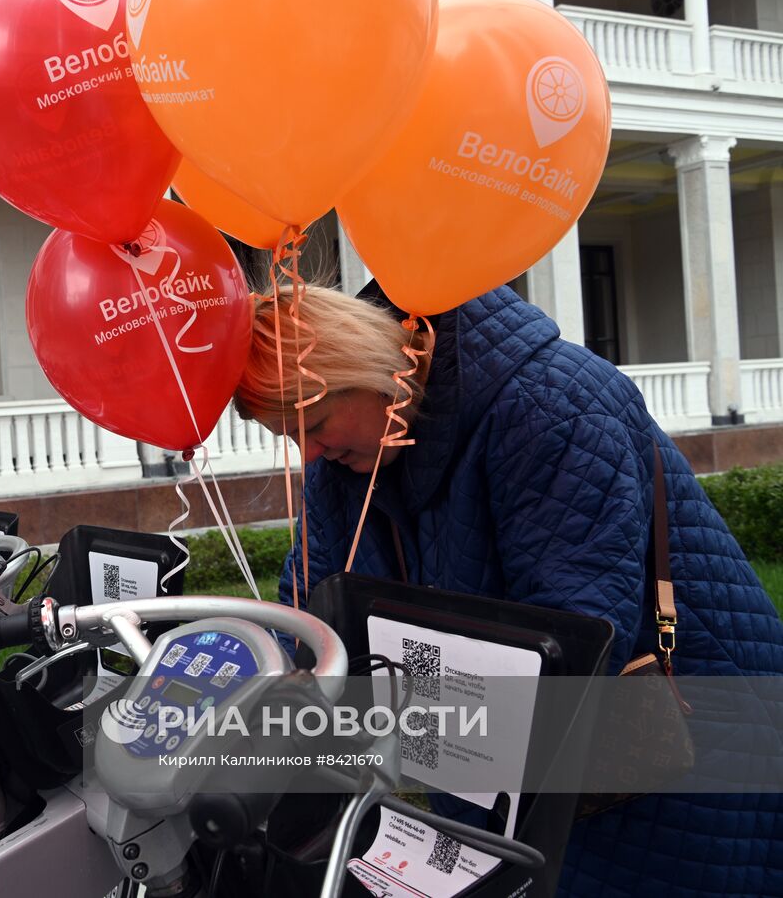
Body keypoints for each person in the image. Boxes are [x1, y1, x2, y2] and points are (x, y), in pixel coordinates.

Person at [234, 278, 783, 897]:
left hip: (691, 729)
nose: (308, 453)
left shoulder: (551, 404)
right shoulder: (350, 453)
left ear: (366, 370)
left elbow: (573, 633)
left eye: (315, 423)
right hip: (502, 760)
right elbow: (312, 601)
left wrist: (384, 714)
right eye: (289, 437)